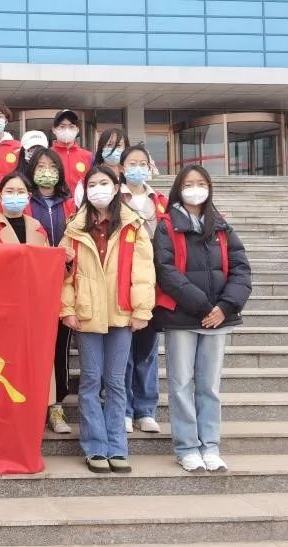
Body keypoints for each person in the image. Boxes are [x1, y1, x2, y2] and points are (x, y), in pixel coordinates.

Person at [154, 165, 251, 473]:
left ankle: (210, 445)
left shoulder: (221, 226)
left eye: (200, 183)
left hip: (218, 318)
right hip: (183, 318)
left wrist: (225, 307)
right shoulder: (167, 225)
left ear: (209, 188)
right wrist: (203, 307)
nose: (195, 188)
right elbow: (166, 272)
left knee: (209, 386)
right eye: (188, 183)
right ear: (178, 189)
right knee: (181, 384)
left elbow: (241, 270)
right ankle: (186, 447)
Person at [59, 166, 155, 474]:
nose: (98, 189)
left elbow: (144, 272)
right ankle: (95, 447)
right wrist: (67, 309)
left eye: (104, 183)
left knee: (115, 382)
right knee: (90, 380)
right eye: (92, 184)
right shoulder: (74, 228)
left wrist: (141, 310)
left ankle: (117, 446)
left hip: (121, 312)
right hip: (86, 313)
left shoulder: (133, 226)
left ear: (116, 188)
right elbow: (64, 276)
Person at [24, 147, 77, 433]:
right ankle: (31, 405)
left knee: (59, 347)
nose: (46, 171)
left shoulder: (70, 205)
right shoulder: (24, 201)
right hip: (31, 286)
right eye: (40, 166)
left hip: (63, 284)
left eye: (52, 166)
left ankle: (56, 406)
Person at [119, 145, 168, 435]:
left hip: (152, 285)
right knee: (123, 351)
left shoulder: (160, 201)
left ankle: (145, 409)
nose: (138, 168)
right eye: (132, 163)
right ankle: (124, 408)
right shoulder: (114, 198)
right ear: (122, 168)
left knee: (147, 351)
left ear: (150, 167)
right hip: (121, 282)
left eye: (143, 163)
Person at [0, 173, 47, 245]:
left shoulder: (38, 228)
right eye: (9, 191)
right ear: (0, 197)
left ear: (28, 197)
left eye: (21, 192)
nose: (15, 195)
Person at [73, 128, 130, 207]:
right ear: (101, 148)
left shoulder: (131, 179)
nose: (113, 149)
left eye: (118, 145)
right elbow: (80, 209)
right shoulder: (87, 181)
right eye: (109, 145)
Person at [51, 109, 92, 193]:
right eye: (62, 126)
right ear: (54, 129)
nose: (67, 130)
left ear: (77, 130)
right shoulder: (47, 155)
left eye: (71, 126)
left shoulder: (88, 156)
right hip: (56, 201)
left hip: (80, 201)